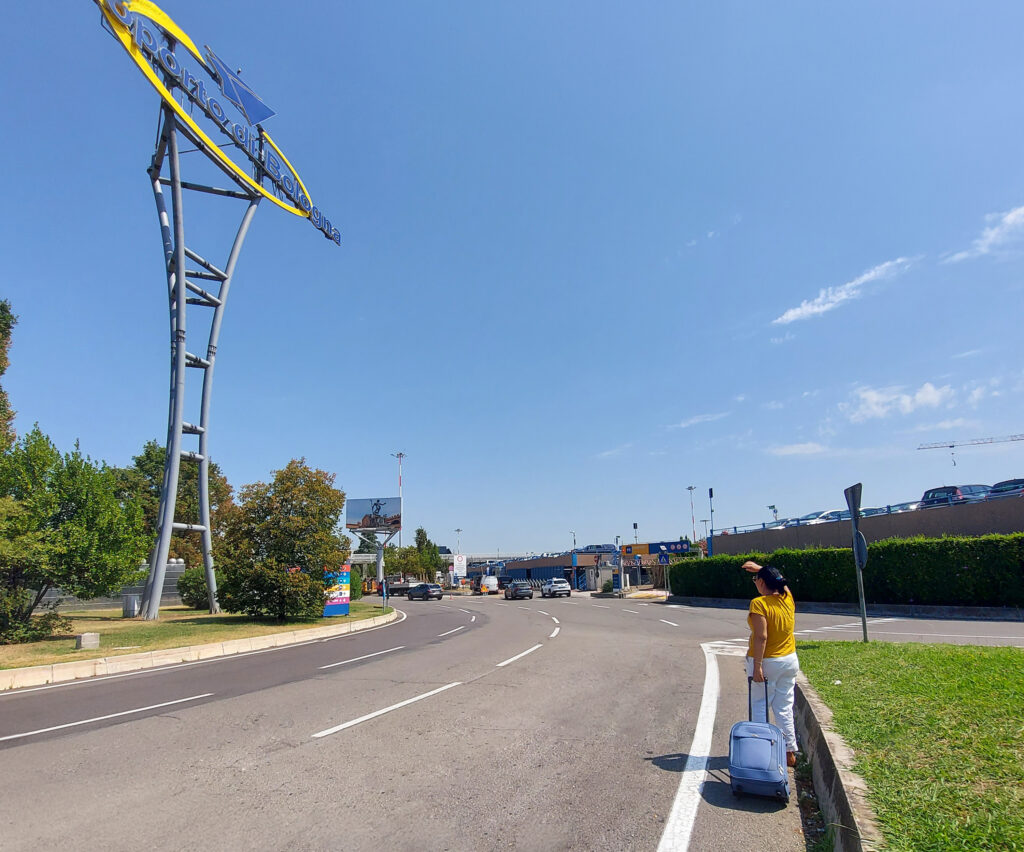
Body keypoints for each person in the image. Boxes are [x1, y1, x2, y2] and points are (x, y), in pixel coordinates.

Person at [743, 559, 800, 767]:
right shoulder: (787, 598)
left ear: (761, 583)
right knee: (784, 707)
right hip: (790, 660)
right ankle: (788, 752)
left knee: (759, 704)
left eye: (756, 580)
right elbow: (783, 585)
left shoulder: (759, 604)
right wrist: (763, 570)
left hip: (768, 661)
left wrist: (757, 665)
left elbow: (762, 637)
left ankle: (761, 752)